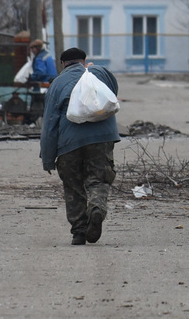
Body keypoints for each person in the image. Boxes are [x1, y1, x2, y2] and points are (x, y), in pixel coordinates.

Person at [39, 47, 120, 245]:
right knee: (98, 180)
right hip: (102, 138)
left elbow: (49, 124)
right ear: (84, 61)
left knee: (73, 185)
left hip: (69, 143)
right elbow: (112, 93)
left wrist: (48, 158)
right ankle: (97, 209)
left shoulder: (57, 84)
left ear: (62, 64)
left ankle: (79, 232)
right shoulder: (99, 73)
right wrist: (94, 69)